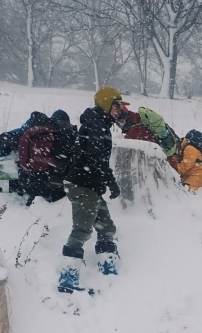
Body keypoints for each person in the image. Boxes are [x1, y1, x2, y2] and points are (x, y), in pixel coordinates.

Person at [58, 86, 125, 293]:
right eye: (116, 105)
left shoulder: (100, 123)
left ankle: (108, 267)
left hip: (91, 185)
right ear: (106, 104)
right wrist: (111, 182)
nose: (120, 110)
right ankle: (67, 279)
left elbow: (97, 160)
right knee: (81, 230)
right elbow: (97, 160)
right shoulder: (96, 125)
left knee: (106, 227)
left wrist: (105, 181)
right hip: (82, 185)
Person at [15, 110, 77, 205]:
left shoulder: (33, 132)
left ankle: (33, 198)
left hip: (27, 180)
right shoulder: (64, 134)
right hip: (52, 186)